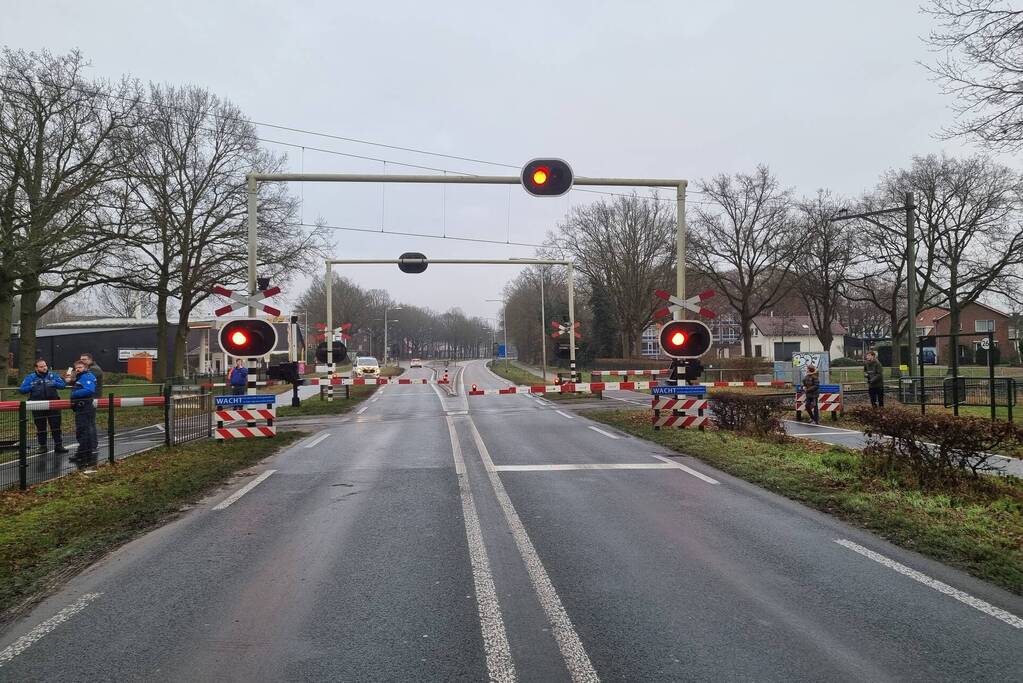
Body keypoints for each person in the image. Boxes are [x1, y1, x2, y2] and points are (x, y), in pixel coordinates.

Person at [18, 359, 69, 460]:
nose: (44, 368)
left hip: (53, 404)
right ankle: (42, 446)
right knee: (40, 426)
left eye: (45, 365)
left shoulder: (52, 375)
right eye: (41, 366)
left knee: (56, 425)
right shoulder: (31, 377)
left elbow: (63, 385)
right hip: (38, 405)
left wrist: (53, 383)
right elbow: (22, 389)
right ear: (36, 368)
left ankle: (58, 445)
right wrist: (32, 385)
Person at [68, 360, 98, 468]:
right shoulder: (81, 377)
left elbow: (89, 390)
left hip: (84, 407)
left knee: (83, 431)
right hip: (82, 407)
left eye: (80, 367)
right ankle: (84, 453)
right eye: (76, 367)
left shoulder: (87, 376)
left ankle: (83, 455)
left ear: (86, 368)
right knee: (84, 431)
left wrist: (74, 394)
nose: (77, 369)